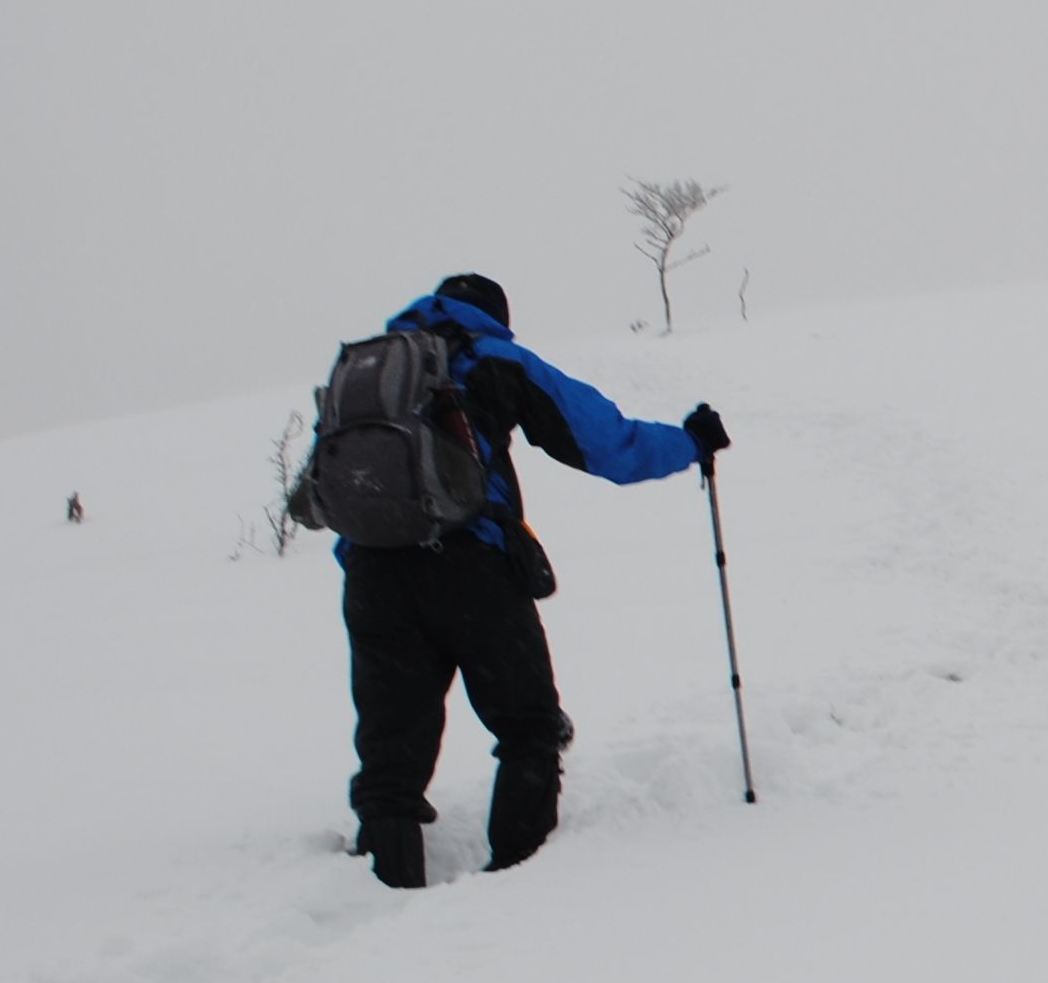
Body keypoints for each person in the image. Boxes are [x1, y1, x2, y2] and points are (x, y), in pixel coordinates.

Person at [291, 273, 730, 888]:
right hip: (473, 569)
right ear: (495, 316)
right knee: (528, 724)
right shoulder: (493, 359)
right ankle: (518, 886)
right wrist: (689, 443)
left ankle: (383, 886)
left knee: (392, 747)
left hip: (373, 573)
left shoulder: (368, 370)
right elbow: (606, 444)